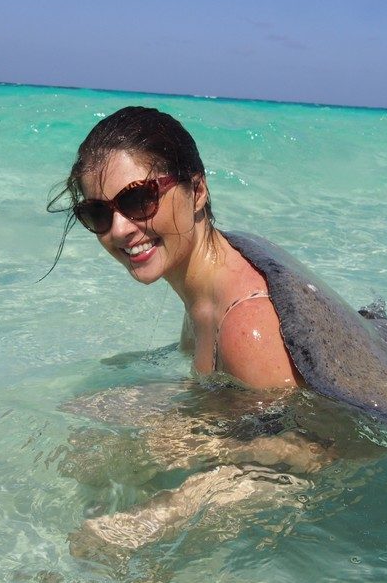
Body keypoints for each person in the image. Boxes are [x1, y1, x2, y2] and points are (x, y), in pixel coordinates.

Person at [48, 105, 304, 390]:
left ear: (196, 192)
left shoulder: (247, 328)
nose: (119, 229)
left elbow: (297, 434)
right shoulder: (213, 281)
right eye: (97, 213)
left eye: (139, 199)